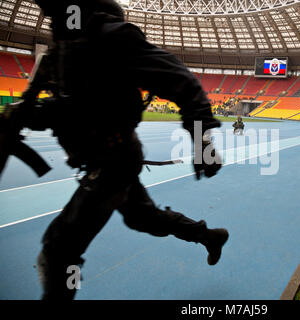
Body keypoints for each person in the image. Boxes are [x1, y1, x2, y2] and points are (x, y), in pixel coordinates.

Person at [26, 0, 229, 300]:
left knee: (58, 251)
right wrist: (34, 113)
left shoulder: (112, 37)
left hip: (113, 163)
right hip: (105, 159)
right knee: (143, 218)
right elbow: (70, 108)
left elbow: (182, 82)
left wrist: (202, 142)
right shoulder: (62, 49)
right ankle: (209, 236)